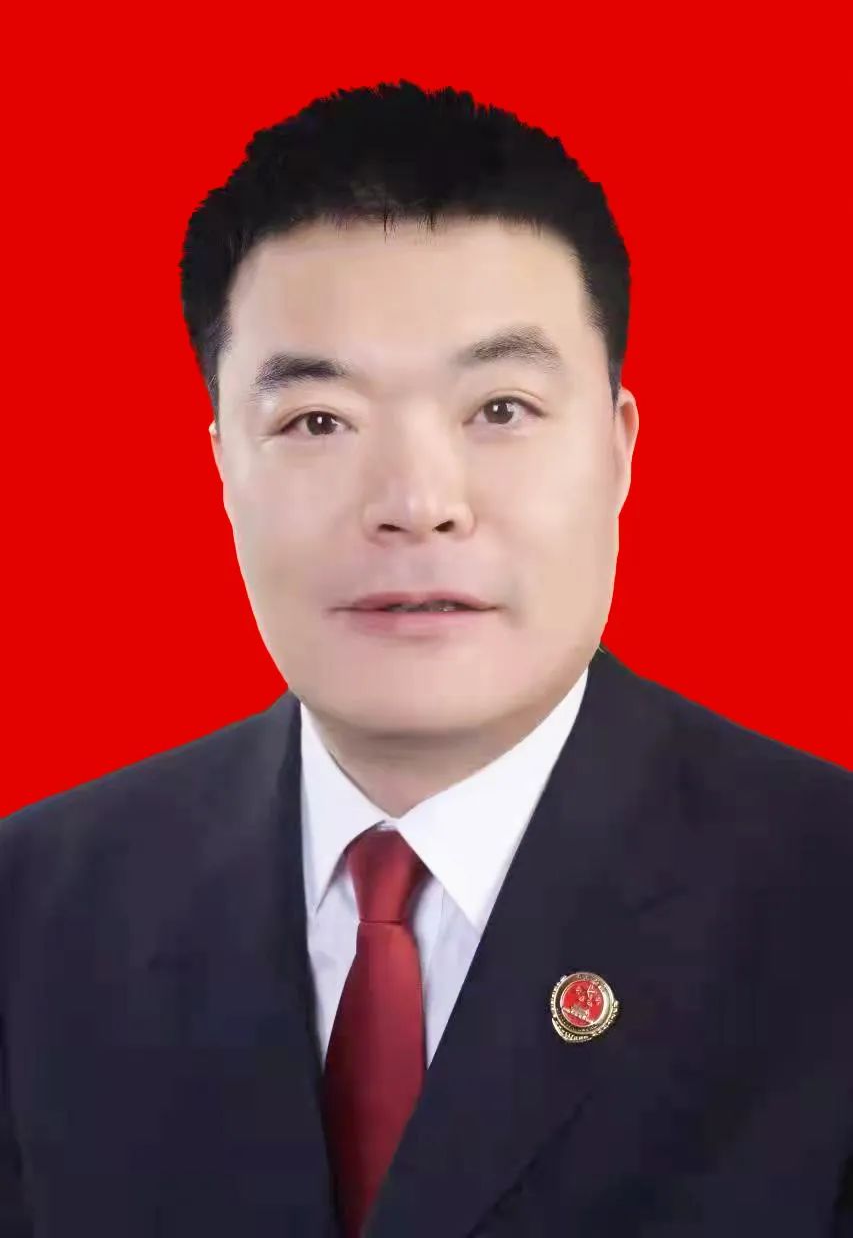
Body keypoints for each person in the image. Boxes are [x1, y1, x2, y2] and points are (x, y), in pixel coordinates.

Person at [1, 79, 851, 1238]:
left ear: (617, 450)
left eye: (498, 408)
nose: (416, 501)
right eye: (317, 420)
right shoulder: (35, 913)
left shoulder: (824, 902)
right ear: (222, 464)